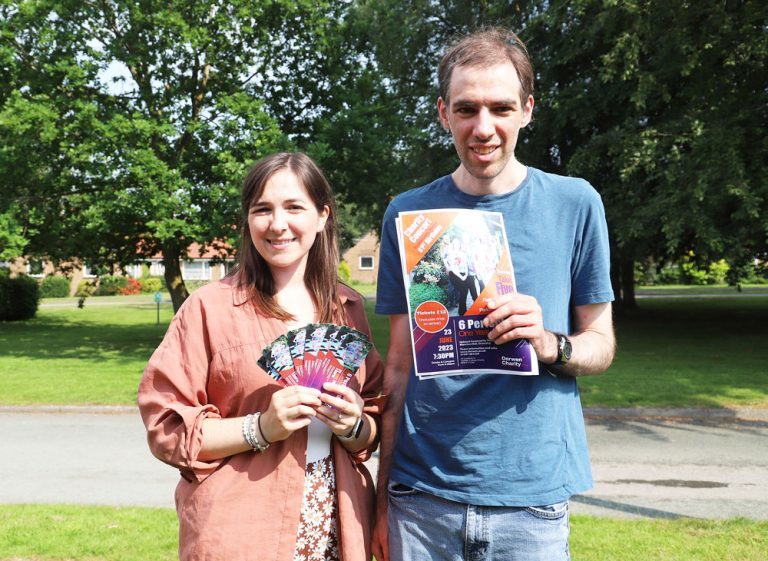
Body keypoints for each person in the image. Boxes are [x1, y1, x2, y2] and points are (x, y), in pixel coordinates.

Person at [373, 28, 616, 561]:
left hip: (531, 502)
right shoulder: (408, 216)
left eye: (500, 108)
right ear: (443, 113)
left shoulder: (575, 204)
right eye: (466, 109)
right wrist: (382, 497)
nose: (483, 128)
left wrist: (551, 343)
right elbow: (397, 367)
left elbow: (601, 343)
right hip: (421, 498)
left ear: (527, 110)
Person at [138, 152, 385, 561]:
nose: (277, 224)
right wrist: (262, 427)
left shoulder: (349, 307)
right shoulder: (209, 308)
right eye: (262, 209)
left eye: (294, 207)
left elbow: (374, 424)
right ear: (247, 220)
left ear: (322, 216)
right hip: (242, 535)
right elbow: (167, 430)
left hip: (339, 533)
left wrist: (354, 424)